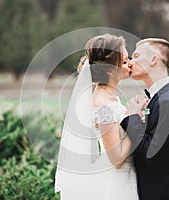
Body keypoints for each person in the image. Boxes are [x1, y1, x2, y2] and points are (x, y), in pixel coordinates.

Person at [55, 34, 146, 200]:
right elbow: (117, 158)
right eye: (125, 61)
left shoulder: (108, 97)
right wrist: (133, 119)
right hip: (118, 183)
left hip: (125, 176)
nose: (130, 63)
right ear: (111, 71)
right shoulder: (104, 105)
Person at [120, 38, 169, 200]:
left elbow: (151, 157)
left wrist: (131, 119)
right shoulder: (162, 99)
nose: (131, 62)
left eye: (136, 56)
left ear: (153, 59)